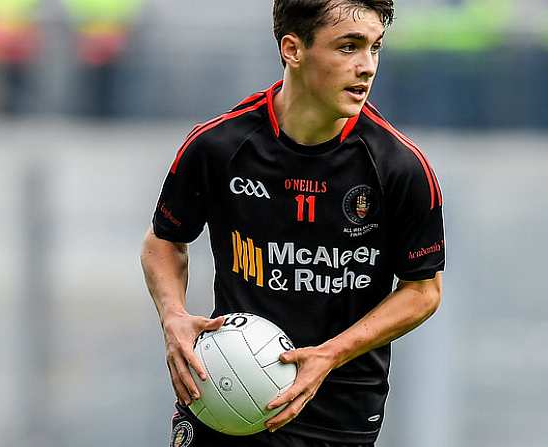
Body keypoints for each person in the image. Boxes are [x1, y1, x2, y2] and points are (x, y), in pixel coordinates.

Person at [140, 1, 445, 446]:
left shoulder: (399, 167)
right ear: (293, 49)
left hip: (337, 412)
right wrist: (173, 316)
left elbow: (423, 290)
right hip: (223, 397)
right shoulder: (219, 146)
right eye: (348, 47)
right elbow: (163, 242)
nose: (366, 67)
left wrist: (329, 354)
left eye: (375, 48)